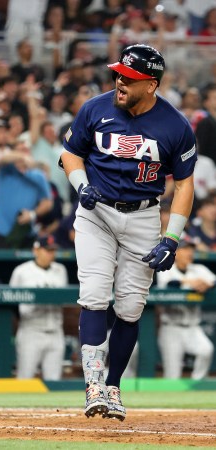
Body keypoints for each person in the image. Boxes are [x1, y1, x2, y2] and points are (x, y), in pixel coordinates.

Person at [59, 44, 197, 421]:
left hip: (143, 216)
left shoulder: (175, 125)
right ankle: (92, 384)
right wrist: (80, 184)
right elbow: (69, 152)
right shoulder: (96, 108)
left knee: (131, 307)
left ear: (150, 85)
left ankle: (114, 386)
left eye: (129, 77)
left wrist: (172, 238)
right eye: (118, 73)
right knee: (94, 294)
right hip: (96, 212)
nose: (119, 81)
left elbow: (184, 185)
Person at [9, 235, 68, 380]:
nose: (51, 254)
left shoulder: (60, 270)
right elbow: (11, 301)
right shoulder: (21, 271)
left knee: (54, 381)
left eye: (53, 250)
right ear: (36, 250)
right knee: (25, 378)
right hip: (31, 330)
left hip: (55, 330)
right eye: (47, 250)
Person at [156, 234, 215, 380]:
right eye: (185, 249)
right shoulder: (166, 268)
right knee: (172, 374)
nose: (189, 253)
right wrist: (191, 282)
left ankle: (196, 384)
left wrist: (208, 284)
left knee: (206, 350)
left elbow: (212, 280)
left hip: (193, 327)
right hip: (170, 327)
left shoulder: (199, 269)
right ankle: (170, 400)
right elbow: (169, 284)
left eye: (191, 249)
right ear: (176, 252)